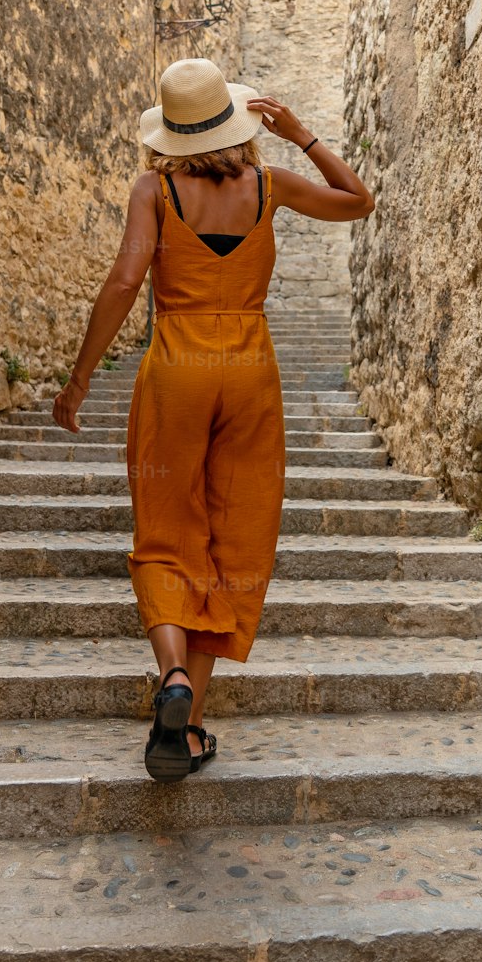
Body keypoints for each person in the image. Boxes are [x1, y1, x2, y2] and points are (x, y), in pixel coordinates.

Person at [52, 57, 375, 781]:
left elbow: (126, 279)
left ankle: (171, 679)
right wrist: (301, 134)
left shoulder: (155, 191)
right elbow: (358, 202)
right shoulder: (270, 186)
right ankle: (191, 723)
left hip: (178, 370)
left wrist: (79, 379)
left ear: (167, 136)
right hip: (250, 375)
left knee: (167, 533)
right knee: (235, 537)